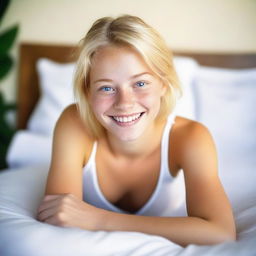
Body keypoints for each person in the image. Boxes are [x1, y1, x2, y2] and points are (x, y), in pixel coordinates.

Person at [37, 15, 236, 246]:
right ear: (87, 92)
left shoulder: (190, 137)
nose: (125, 103)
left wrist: (99, 219)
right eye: (107, 88)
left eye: (140, 83)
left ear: (164, 83)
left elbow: (220, 232)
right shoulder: (74, 123)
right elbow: (58, 217)